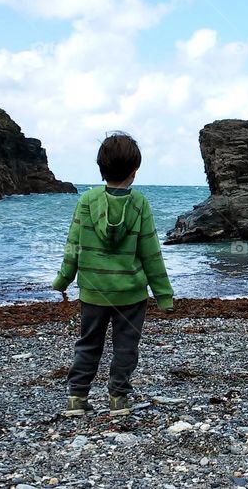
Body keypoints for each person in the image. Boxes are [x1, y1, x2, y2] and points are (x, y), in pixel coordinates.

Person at [52, 133, 174, 417]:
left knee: (88, 343)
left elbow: (74, 246)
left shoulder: (86, 200)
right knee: (126, 347)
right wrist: (164, 295)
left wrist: (63, 279)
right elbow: (151, 253)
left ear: (100, 168)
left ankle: (77, 398)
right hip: (130, 295)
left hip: (93, 290)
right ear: (134, 172)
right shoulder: (140, 204)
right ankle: (118, 398)